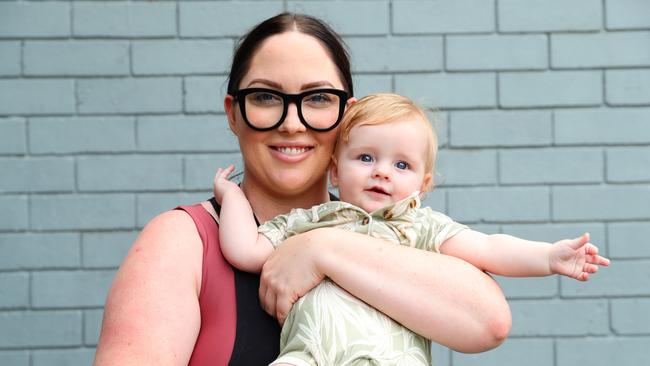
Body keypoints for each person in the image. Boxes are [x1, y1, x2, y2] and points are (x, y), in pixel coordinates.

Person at [93, 13, 513, 366]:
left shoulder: (394, 228)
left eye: (316, 99)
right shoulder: (185, 241)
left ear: (346, 116)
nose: (291, 122)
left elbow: (489, 322)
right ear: (234, 113)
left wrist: (319, 250)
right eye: (264, 97)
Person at [213, 93, 611, 365]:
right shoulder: (312, 220)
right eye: (366, 157)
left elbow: (490, 248)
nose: (382, 171)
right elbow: (245, 250)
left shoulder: (420, 227)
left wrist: (547, 256)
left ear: (423, 184)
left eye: (401, 165)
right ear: (335, 168)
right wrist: (232, 199)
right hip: (311, 355)